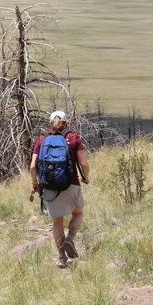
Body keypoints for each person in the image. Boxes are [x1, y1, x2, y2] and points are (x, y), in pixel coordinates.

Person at [30, 110, 90, 268]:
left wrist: (34, 183)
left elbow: (32, 166)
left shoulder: (42, 138)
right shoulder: (73, 138)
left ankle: (62, 257)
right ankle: (70, 238)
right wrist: (86, 177)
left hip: (49, 186)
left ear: (50, 123)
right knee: (78, 213)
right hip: (71, 183)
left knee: (57, 221)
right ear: (66, 123)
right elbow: (83, 164)